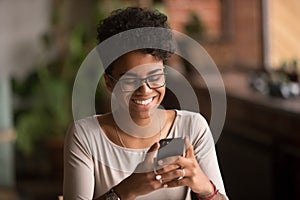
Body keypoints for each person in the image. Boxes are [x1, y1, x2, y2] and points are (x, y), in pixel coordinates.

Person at [63, 7, 228, 200]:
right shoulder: (85, 137)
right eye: (130, 80)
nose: (145, 90)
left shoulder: (192, 128)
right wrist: (127, 190)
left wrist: (205, 188)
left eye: (155, 77)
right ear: (109, 83)